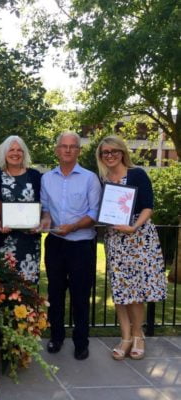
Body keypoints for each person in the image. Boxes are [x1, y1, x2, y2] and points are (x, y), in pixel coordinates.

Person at [96, 135, 167, 360]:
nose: (109, 155)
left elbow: (148, 207)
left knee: (136, 290)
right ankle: (125, 337)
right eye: (105, 152)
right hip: (116, 240)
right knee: (120, 290)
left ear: (123, 152)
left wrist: (133, 226)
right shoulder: (103, 179)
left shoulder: (137, 174)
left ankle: (138, 335)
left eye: (113, 151)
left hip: (139, 237)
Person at [39, 131, 101, 360]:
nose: (67, 150)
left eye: (72, 146)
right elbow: (46, 209)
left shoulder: (90, 178)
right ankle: (56, 337)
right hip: (55, 243)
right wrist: (46, 220)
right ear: (56, 150)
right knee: (55, 294)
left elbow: (94, 213)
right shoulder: (47, 178)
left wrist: (73, 227)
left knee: (80, 295)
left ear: (79, 151)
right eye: (63, 146)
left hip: (81, 244)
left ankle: (81, 342)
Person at [0, 136, 42, 282]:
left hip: (29, 242)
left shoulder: (34, 176)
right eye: (11, 149)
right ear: (4, 153)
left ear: (24, 153)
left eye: (19, 150)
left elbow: (43, 204)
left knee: (27, 292)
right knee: (2, 291)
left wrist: (40, 222)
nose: (15, 153)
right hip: (3, 242)